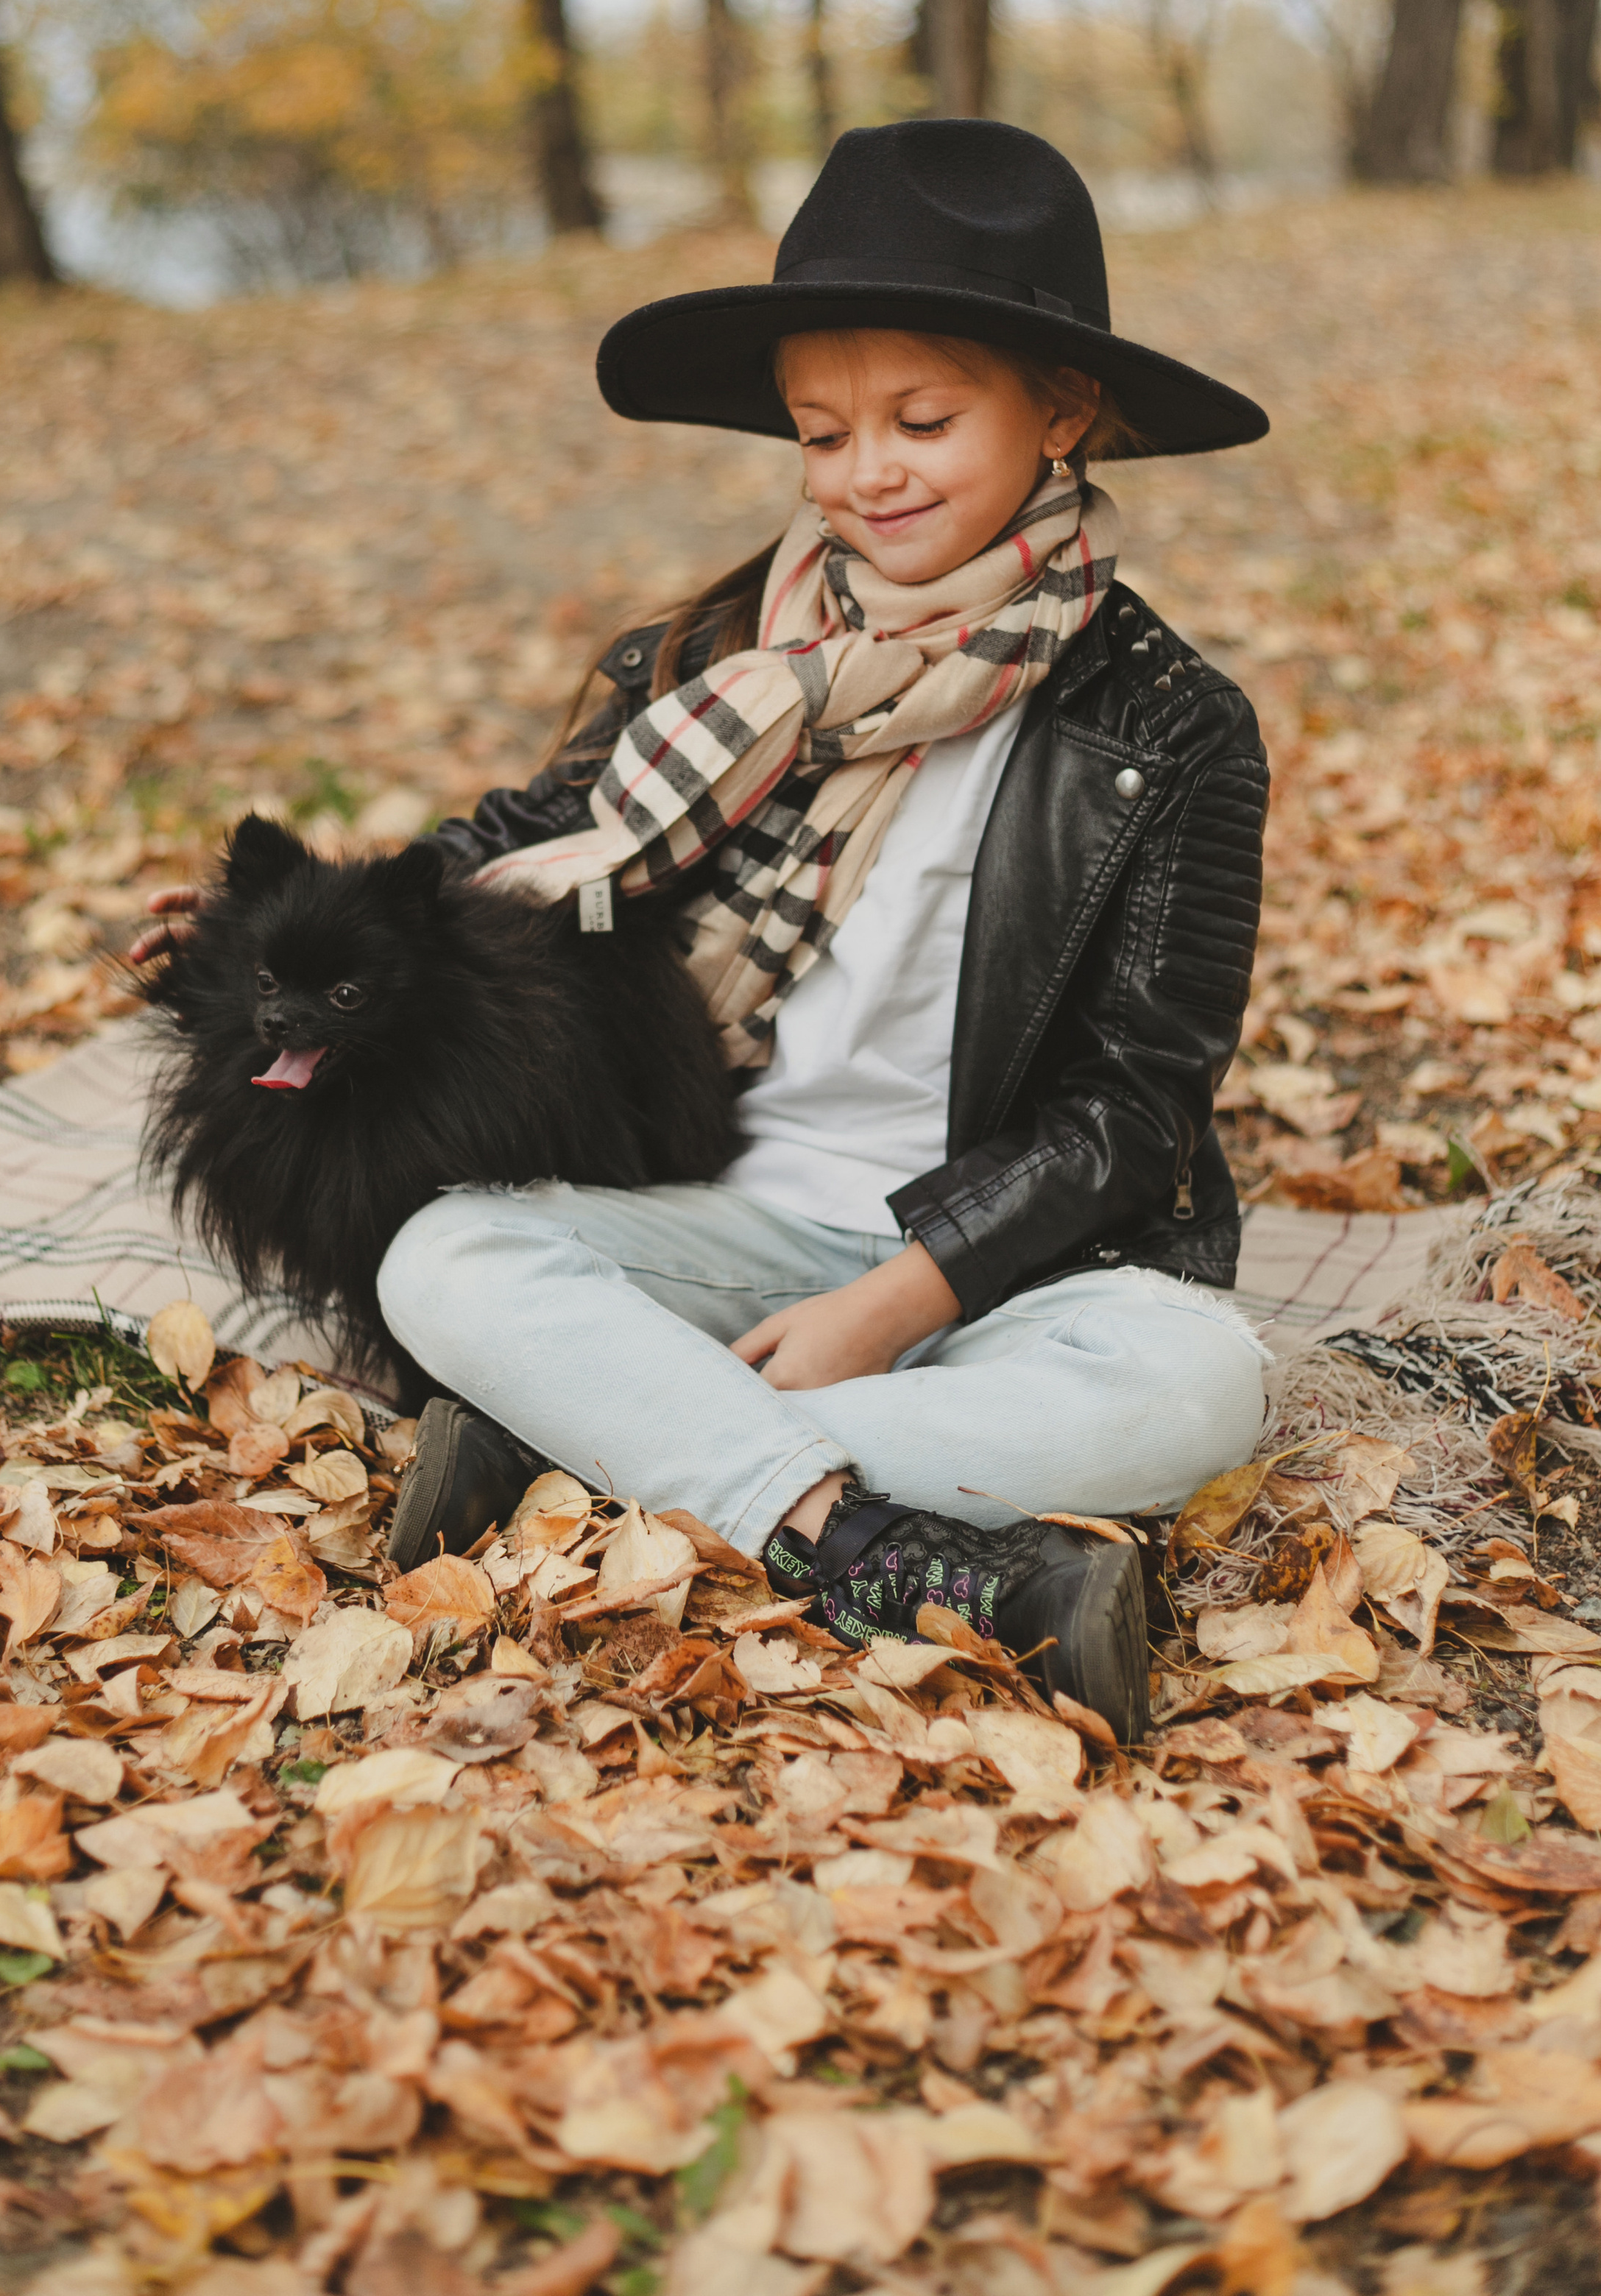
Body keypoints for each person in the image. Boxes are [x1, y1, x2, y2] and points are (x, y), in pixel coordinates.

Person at [138, 121, 1272, 1742]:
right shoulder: (715, 662)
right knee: (442, 1258)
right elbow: (518, 849)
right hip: (707, 1213)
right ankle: (887, 1550)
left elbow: (1128, 1109)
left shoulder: (1165, 729)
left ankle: (581, 1443)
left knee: (1199, 1388)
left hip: (995, 1263)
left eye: (921, 421)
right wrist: (251, 924)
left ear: (1063, 410)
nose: (864, 473)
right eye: (821, 434)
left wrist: (890, 1306)